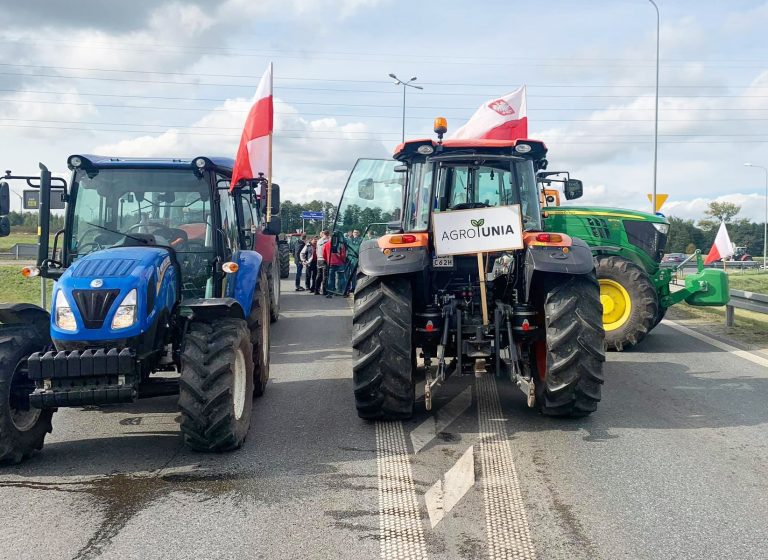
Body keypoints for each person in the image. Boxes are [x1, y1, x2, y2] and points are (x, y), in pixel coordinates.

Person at [323, 233, 346, 298]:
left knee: (331, 278)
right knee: (341, 278)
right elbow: (343, 255)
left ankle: (330, 293)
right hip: (340, 263)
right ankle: (343, 291)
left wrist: (328, 261)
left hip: (331, 263)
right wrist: (343, 261)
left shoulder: (326, 244)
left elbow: (324, 255)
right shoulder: (341, 244)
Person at [315, 230, 330, 296]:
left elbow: (316, 250)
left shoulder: (319, 241)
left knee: (319, 275)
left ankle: (316, 290)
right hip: (324, 259)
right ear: (328, 234)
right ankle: (324, 291)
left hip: (319, 259)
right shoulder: (328, 241)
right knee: (325, 276)